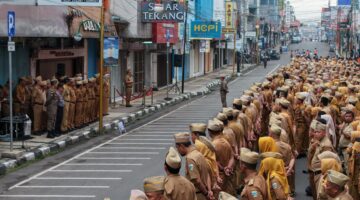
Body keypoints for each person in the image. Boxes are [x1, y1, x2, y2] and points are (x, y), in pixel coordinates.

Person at [174, 132, 214, 200]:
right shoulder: (198, 153)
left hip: (198, 195)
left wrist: (206, 194)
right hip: (205, 192)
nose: (178, 151)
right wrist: (209, 191)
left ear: (182, 146)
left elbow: (197, 180)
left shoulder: (190, 159)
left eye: (177, 148)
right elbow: (207, 174)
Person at [207, 119, 235, 195]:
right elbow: (232, 157)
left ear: (210, 132)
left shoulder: (213, 145)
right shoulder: (226, 142)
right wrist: (228, 168)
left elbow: (214, 161)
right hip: (227, 175)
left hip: (218, 177)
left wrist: (223, 168)